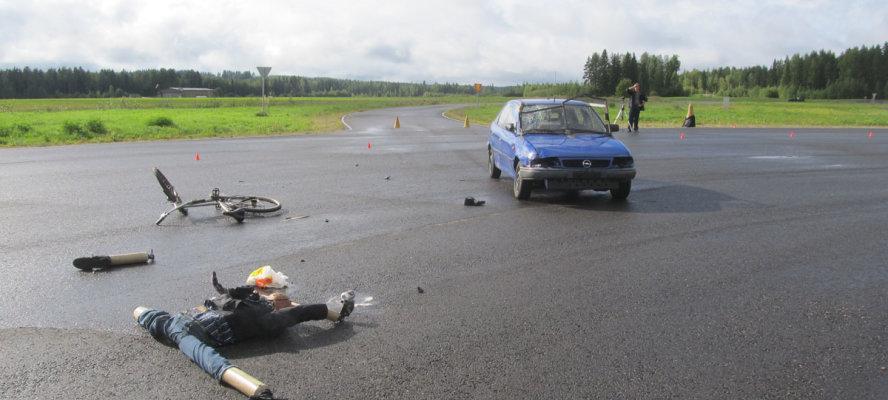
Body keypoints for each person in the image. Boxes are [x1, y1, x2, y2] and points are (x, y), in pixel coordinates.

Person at [133, 271, 355, 399]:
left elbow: (144, 313)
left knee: (290, 311)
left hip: (240, 312)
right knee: (296, 313)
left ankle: (331, 311)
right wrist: (254, 388)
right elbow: (207, 358)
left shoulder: (174, 323)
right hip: (247, 324)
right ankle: (334, 311)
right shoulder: (181, 333)